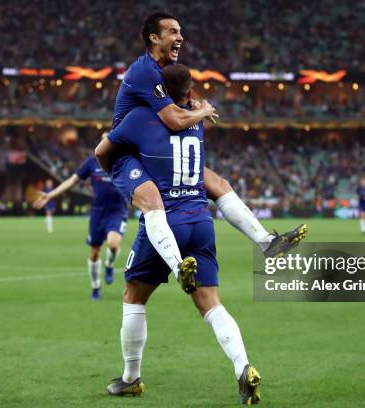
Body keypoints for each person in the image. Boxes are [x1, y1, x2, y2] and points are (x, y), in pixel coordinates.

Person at [97, 12, 306, 292]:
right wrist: (205, 110)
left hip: (155, 150)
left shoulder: (163, 71)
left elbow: (177, 101)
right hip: (127, 154)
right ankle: (177, 265)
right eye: (172, 31)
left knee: (219, 184)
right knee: (152, 200)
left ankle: (267, 243)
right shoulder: (144, 70)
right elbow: (173, 120)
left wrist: (192, 102)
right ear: (154, 38)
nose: (180, 37)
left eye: (180, 31)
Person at [104, 64, 261, 404]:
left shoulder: (140, 117)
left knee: (134, 296)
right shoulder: (196, 117)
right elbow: (184, 124)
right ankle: (243, 366)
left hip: (165, 222)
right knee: (212, 305)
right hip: (201, 221)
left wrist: (123, 175)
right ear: (189, 92)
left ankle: (131, 378)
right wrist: (202, 106)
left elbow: (103, 150)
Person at [33, 150, 127, 300]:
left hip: (117, 211)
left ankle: (109, 264)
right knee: (95, 250)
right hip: (98, 213)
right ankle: (95, 286)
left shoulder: (123, 160)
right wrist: (51, 195)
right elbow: (72, 181)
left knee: (114, 244)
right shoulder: (92, 163)